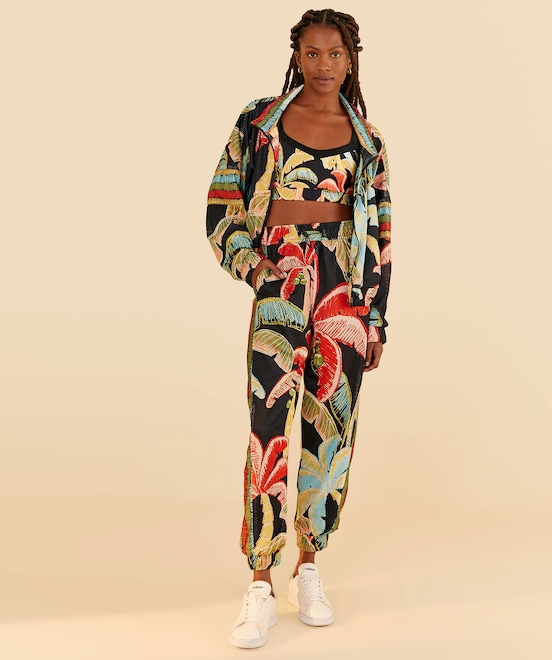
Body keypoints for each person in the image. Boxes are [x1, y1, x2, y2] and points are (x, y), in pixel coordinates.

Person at [205, 8, 392, 649]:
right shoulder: (258, 123)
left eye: (334, 54)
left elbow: (381, 234)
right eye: (311, 53)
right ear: (296, 56)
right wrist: (254, 266)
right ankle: (260, 581)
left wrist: (374, 319)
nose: (323, 65)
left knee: (329, 429)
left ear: (351, 59)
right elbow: (221, 203)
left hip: (344, 290)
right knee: (269, 427)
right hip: (281, 286)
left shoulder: (368, 142)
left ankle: (308, 569)